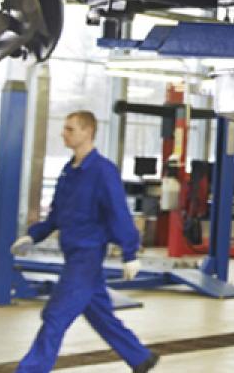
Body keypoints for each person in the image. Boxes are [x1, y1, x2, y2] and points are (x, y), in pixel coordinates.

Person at [11, 110, 160, 372]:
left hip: (87, 256)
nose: (63, 134)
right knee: (98, 311)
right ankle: (140, 357)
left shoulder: (103, 171)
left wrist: (130, 253)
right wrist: (33, 235)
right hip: (72, 254)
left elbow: (118, 212)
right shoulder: (69, 171)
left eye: (70, 129)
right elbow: (57, 214)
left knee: (56, 315)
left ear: (87, 132)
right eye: (64, 128)